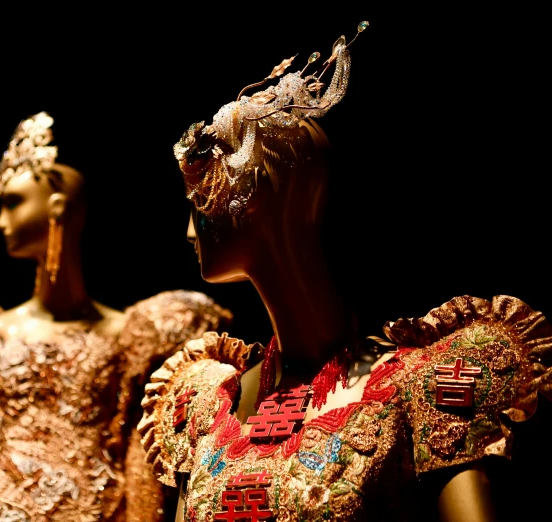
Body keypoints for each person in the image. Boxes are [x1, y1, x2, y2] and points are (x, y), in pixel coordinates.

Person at [138, 21, 551, 522]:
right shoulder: (206, 402)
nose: (189, 231)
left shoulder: (417, 390)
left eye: (200, 203)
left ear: (261, 205)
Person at [0, 112, 232, 522]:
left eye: (13, 202)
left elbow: (138, 456)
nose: (2, 222)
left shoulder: (129, 334)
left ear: (58, 206)